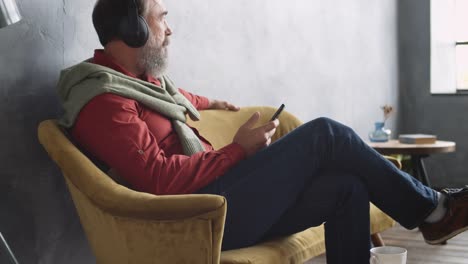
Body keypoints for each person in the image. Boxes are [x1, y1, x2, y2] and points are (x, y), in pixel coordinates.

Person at [55, 0, 468, 263]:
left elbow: (178, 97)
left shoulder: (142, 82)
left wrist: (212, 103)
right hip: (196, 219)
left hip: (221, 199)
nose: (170, 29)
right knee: (326, 134)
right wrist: (238, 150)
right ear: (134, 29)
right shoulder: (105, 102)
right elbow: (159, 180)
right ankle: (433, 212)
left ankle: (431, 212)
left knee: (346, 187)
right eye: (162, 19)